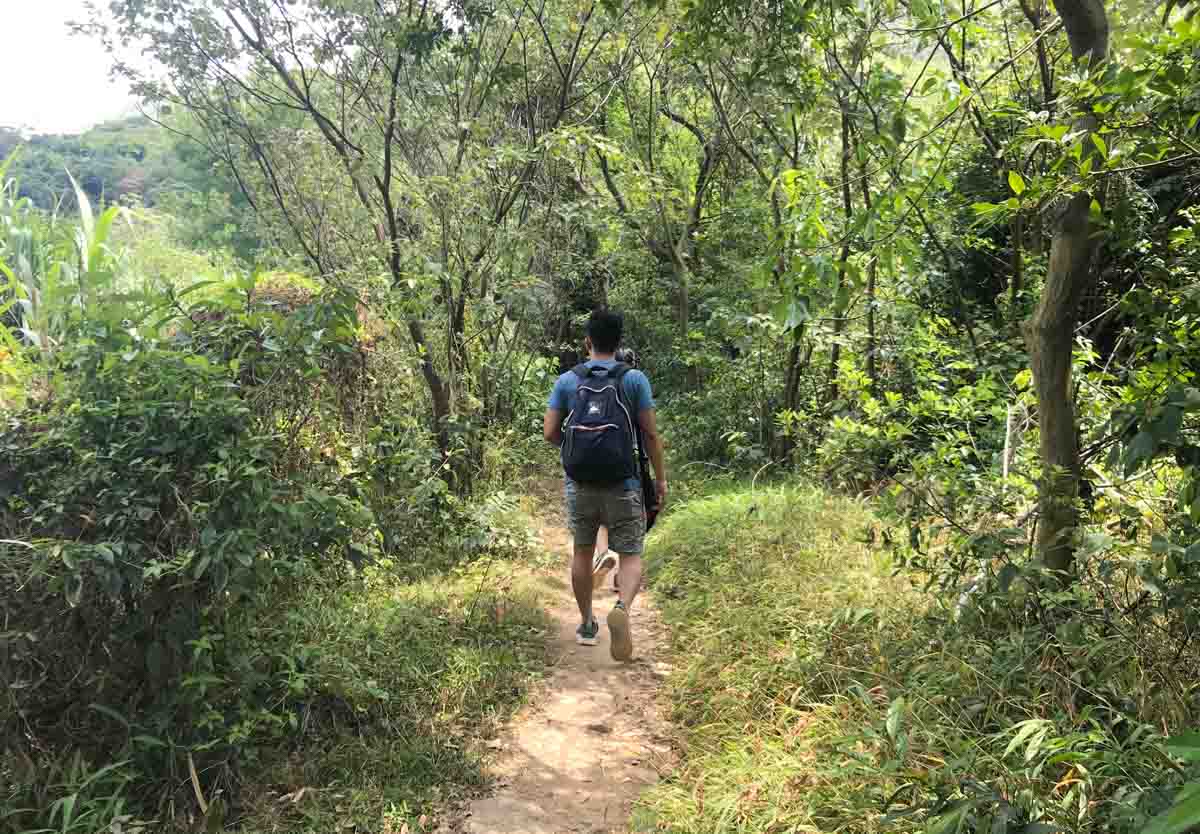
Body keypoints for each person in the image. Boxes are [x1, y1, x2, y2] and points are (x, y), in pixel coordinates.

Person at [544, 310, 667, 661]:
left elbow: (550, 432)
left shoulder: (568, 381)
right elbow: (651, 435)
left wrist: (576, 449)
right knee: (630, 555)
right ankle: (622, 609)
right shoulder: (634, 380)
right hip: (624, 481)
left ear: (588, 342)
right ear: (618, 343)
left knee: (582, 551)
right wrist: (660, 479)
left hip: (580, 484)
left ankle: (586, 623)